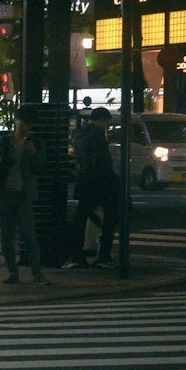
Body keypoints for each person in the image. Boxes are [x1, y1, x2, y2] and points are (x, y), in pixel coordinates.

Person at [0, 115, 45, 283]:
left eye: (29, 123)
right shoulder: (3, 142)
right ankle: (12, 272)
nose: (26, 126)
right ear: (17, 121)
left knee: (28, 233)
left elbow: (40, 166)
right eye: (24, 121)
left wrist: (33, 152)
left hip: (24, 194)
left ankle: (37, 273)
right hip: (3, 192)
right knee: (6, 235)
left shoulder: (35, 143)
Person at [69, 111, 117, 268]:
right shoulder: (97, 134)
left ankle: (77, 256)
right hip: (101, 181)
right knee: (110, 217)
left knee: (81, 219)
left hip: (84, 181)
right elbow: (101, 160)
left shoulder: (79, 134)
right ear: (102, 120)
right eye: (106, 123)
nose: (106, 127)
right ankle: (104, 256)